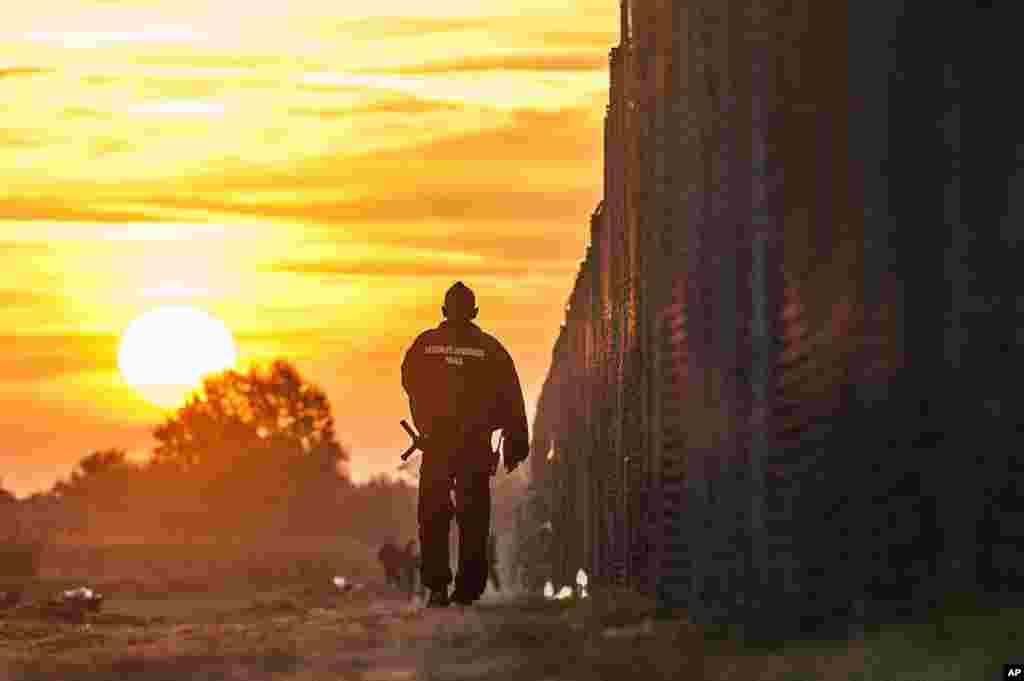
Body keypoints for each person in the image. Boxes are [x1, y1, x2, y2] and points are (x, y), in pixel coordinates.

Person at [401, 282, 529, 607]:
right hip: (474, 446)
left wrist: (428, 415)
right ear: (474, 312)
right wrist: (515, 441)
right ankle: (468, 589)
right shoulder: (491, 349)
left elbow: (409, 380)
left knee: (432, 515)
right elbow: (512, 397)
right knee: (473, 518)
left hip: (437, 444)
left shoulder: (425, 344)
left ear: (443, 311)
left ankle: (437, 587)